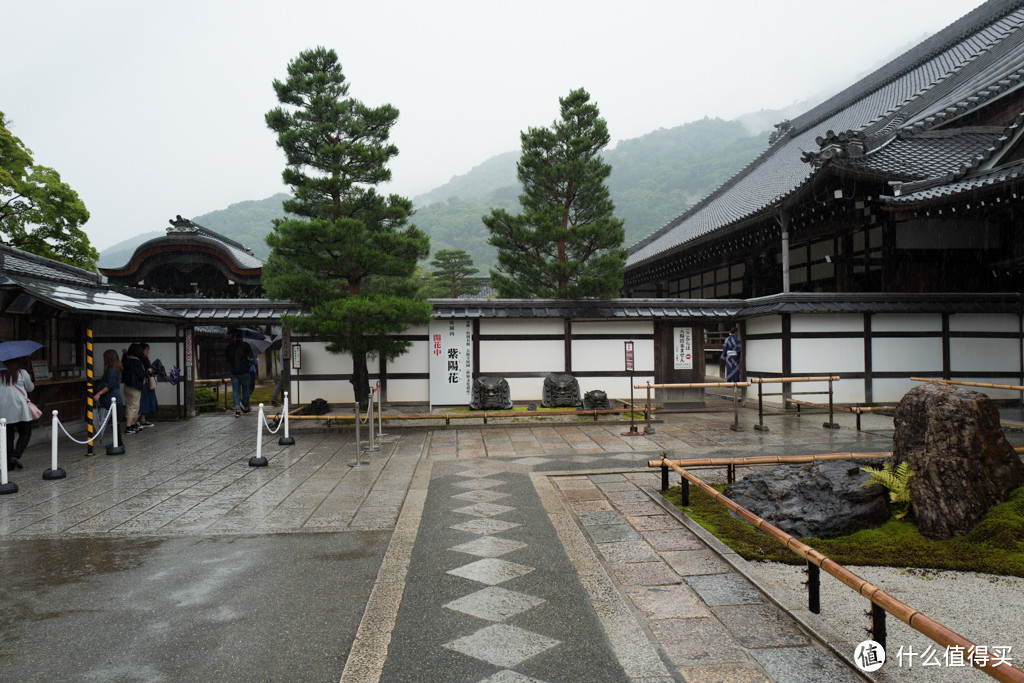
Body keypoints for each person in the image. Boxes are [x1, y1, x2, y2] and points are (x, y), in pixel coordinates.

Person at [0, 361, 34, 470]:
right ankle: (15, 455)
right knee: (25, 433)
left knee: (8, 437)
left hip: (4, 410)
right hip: (21, 409)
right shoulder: (22, 373)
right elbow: (30, 388)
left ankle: (9, 464)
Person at [93, 349, 125, 447]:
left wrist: (99, 393)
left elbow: (109, 385)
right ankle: (118, 442)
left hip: (111, 399)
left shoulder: (111, 371)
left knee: (114, 422)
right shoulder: (117, 369)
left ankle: (118, 443)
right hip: (116, 398)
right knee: (114, 422)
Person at [226, 331, 254, 418]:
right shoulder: (246, 345)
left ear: (234, 337)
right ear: (242, 337)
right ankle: (245, 406)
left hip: (234, 372)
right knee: (246, 390)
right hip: (245, 371)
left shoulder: (229, 347)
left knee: (235, 391)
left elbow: (228, 359)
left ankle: (237, 410)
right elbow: (251, 358)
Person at [121, 343, 147, 434]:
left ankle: (132, 424)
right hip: (135, 386)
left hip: (127, 386)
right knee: (133, 407)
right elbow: (141, 375)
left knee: (129, 405)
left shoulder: (126, 361)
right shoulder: (137, 362)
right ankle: (129, 426)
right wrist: (147, 372)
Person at [137, 343, 158, 428]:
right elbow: (143, 373)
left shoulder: (144, 359)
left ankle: (143, 420)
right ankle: (135, 421)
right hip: (144, 384)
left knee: (145, 402)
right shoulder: (140, 360)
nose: (148, 352)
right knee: (142, 403)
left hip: (146, 384)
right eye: (146, 350)